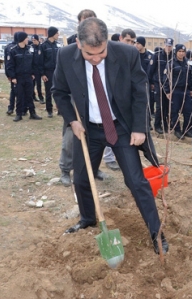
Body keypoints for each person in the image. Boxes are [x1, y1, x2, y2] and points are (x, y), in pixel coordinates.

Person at [52, 17, 168, 255]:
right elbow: (59, 92)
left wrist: (139, 127)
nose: (95, 59)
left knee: (136, 182)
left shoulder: (126, 54)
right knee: (82, 179)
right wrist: (72, 121)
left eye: (101, 53)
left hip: (121, 127)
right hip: (89, 129)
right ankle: (87, 219)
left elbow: (140, 91)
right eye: (89, 54)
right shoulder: (64, 56)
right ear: (78, 45)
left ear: (107, 41)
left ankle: (156, 233)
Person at [58, 10, 109, 187]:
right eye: (84, 21)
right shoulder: (72, 44)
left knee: (96, 138)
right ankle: (65, 169)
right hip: (75, 99)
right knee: (72, 137)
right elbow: (61, 86)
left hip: (94, 99)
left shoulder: (100, 44)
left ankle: (92, 168)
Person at [6, 32, 42, 122]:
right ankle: (19, 114)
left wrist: (33, 73)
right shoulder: (13, 50)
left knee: (29, 95)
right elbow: (10, 66)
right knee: (20, 96)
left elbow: (34, 62)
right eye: (26, 38)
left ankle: (32, 113)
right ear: (22, 39)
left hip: (28, 77)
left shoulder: (30, 50)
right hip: (18, 78)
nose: (28, 40)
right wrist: (13, 77)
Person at [164, 44, 192, 139]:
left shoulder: (188, 63)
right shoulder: (171, 63)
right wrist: (168, 91)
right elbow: (166, 78)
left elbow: (190, 77)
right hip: (175, 91)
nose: (181, 53)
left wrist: (191, 89)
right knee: (174, 111)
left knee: (187, 111)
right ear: (176, 52)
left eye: (183, 51)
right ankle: (177, 130)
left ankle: (186, 130)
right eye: (179, 51)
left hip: (186, 91)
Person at [148, 38, 174, 134]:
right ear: (164, 45)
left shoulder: (173, 56)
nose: (168, 47)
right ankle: (157, 125)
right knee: (159, 106)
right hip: (158, 83)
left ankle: (165, 124)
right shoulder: (157, 56)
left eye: (170, 46)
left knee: (167, 106)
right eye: (167, 45)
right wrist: (151, 83)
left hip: (169, 84)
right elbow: (150, 70)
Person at [40, 26, 60, 118]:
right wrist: (42, 74)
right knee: (49, 91)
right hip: (48, 72)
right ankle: (49, 110)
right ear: (52, 34)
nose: (58, 35)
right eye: (57, 33)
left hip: (58, 71)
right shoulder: (43, 46)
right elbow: (40, 61)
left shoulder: (57, 45)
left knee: (59, 91)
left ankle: (60, 109)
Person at [4, 32, 20, 115]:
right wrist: (9, 75)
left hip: (15, 73)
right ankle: (12, 108)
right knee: (15, 92)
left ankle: (13, 108)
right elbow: (7, 62)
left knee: (14, 92)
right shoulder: (11, 48)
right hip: (15, 73)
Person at [31, 34, 43, 102]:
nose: (33, 41)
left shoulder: (41, 47)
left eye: (35, 40)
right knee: (32, 84)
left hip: (39, 68)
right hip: (33, 69)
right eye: (32, 40)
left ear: (38, 40)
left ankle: (40, 97)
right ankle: (33, 96)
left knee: (39, 84)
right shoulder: (31, 48)